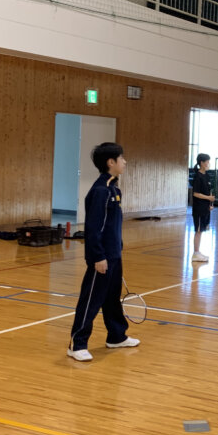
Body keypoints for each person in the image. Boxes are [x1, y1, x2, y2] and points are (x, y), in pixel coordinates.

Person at [67, 142, 140, 362]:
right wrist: (98, 256)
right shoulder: (100, 191)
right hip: (102, 258)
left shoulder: (114, 189)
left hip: (115, 255)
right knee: (91, 300)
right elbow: (93, 228)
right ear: (111, 162)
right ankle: (77, 344)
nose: (125, 161)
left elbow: (112, 226)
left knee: (111, 300)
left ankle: (117, 336)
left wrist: (118, 249)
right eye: (121, 158)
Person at [191, 153, 215, 262]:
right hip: (199, 208)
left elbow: (209, 191)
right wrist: (208, 198)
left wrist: (210, 204)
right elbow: (196, 193)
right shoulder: (198, 176)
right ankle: (195, 253)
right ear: (202, 163)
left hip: (205, 208)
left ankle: (197, 252)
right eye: (207, 162)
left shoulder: (207, 176)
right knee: (198, 230)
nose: (208, 163)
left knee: (201, 230)